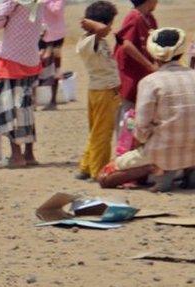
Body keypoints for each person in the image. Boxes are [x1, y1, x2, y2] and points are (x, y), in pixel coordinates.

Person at [102, 28, 195, 192]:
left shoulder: (150, 82)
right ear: (180, 52)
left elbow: (141, 129)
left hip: (160, 151)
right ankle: (186, 171)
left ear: (153, 54)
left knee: (104, 177)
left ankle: (154, 169)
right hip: (192, 150)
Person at [0, 0, 42, 169]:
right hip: (30, 59)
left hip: (11, 60)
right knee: (25, 107)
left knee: (9, 108)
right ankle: (29, 153)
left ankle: (16, 155)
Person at [74, 1, 120, 181]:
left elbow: (102, 31)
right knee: (102, 132)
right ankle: (98, 170)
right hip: (103, 91)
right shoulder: (88, 42)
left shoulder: (97, 41)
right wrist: (92, 23)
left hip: (100, 90)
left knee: (96, 131)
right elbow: (101, 29)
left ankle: (86, 166)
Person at [114, 0, 158, 121]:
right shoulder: (134, 17)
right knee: (129, 120)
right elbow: (127, 44)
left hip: (144, 78)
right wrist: (149, 65)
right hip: (131, 77)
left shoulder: (149, 18)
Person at [38, 0, 66, 110]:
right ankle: (34, 100)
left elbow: (56, 10)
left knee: (55, 67)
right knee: (38, 65)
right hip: (42, 34)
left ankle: (53, 101)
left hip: (56, 36)